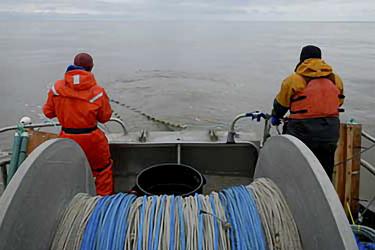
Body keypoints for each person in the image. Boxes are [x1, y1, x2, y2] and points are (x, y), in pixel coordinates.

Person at [43, 53, 114, 195]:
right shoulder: (98, 92)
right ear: (91, 67)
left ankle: (74, 205)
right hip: (93, 141)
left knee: (70, 172)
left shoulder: (57, 88)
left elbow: (48, 112)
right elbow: (105, 117)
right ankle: (103, 208)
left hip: (67, 140)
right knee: (102, 172)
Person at [271, 45, 345, 180]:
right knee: (324, 170)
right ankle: (324, 197)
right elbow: (339, 102)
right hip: (329, 132)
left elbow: (280, 105)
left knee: (296, 166)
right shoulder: (336, 79)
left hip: (301, 132)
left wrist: (275, 117)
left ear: (302, 59)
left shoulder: (293, 80)